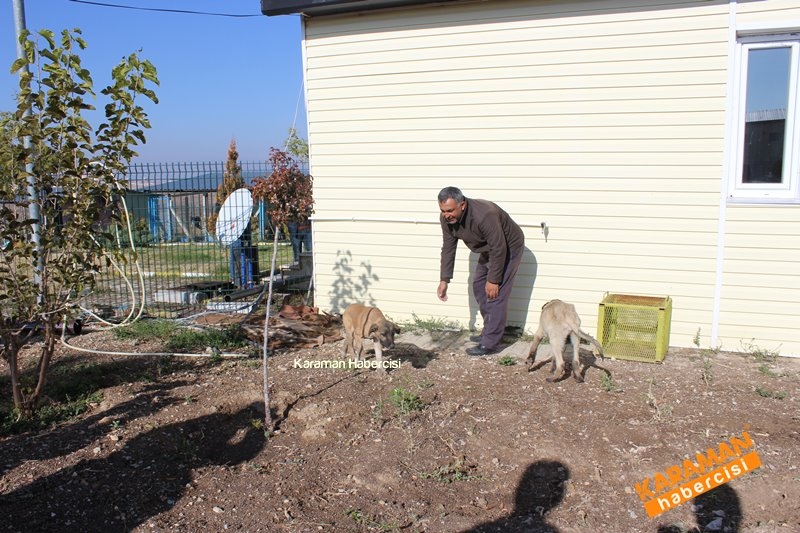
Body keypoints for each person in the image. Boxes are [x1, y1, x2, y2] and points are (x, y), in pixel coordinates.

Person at [437, 186, 525, 356]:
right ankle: (489, 331)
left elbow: (499, 248)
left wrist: (494, 280)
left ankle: (490, 343)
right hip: (489, 249)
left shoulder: (484, 214)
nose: (446, 214)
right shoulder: (447, 220)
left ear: (462, 205)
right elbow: (448, 248)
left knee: (495, 294)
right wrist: (444, 279)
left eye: (449, 210)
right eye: (442, 211)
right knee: (479, 287)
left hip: (508, 247)